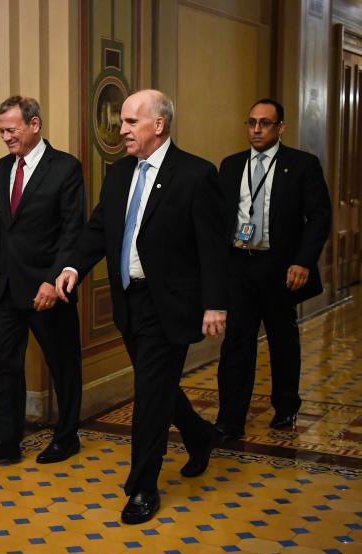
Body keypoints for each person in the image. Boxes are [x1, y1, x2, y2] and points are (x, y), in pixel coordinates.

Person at [54, 89, 228, 524]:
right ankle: (199, 435)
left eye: (131, 122)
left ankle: (142, 488)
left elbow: (212, 247)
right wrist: (74, 265)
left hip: (170, 303)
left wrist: (215, 304)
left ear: (158, 125)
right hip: (128, 300)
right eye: (122, 122)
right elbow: (98, 229)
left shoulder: (196, 174)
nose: (122, 130)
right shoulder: (118, 174)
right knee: (159, 385)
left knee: (149, 395)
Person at [0, 95, 85, 469]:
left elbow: (72, 230)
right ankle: (5, 441)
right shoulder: (3, 168)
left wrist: (53, 280)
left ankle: (66, 438)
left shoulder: (66, 168)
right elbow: (5, 223)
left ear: (34, 125)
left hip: (48, 289)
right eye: (1, 130)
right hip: (6, 286)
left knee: (62, 364)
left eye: (11, 129)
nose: (6, 137)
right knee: (2, 363)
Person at [215, 99, 332, 438]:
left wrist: (303, 261)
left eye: (265, 123)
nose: (256, 129)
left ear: (280, 127)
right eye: (251, 122)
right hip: (239, 266)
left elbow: (320, 217)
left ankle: (285, 405)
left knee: (282, 339)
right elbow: (221, 215)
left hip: (280, 268)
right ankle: (230, 418)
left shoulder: (301, 165)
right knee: (236, 343)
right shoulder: (231, 165)